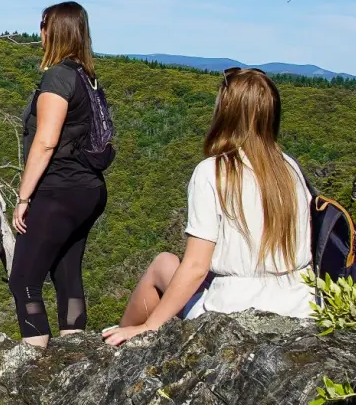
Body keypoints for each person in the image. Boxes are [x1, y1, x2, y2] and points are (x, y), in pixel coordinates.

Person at [102, 68, 316, 346]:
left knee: (163, 264)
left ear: (226, 112)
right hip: (300, 305)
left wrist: (149, 326)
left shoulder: (213, 172)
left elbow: (196, 267)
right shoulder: (291, 169)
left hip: (235, 310)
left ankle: (119, 344)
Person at [10, 1, 108, 348]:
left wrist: (23, 197)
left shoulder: (58, 76)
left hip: (59, 191)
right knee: (67, 274)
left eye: (43, 25)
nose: (40, 32)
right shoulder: (87, 77)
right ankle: (74, 356)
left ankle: (34, 366)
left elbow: (46, 142)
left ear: (55, 31)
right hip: (89, 190)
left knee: (23, 280)